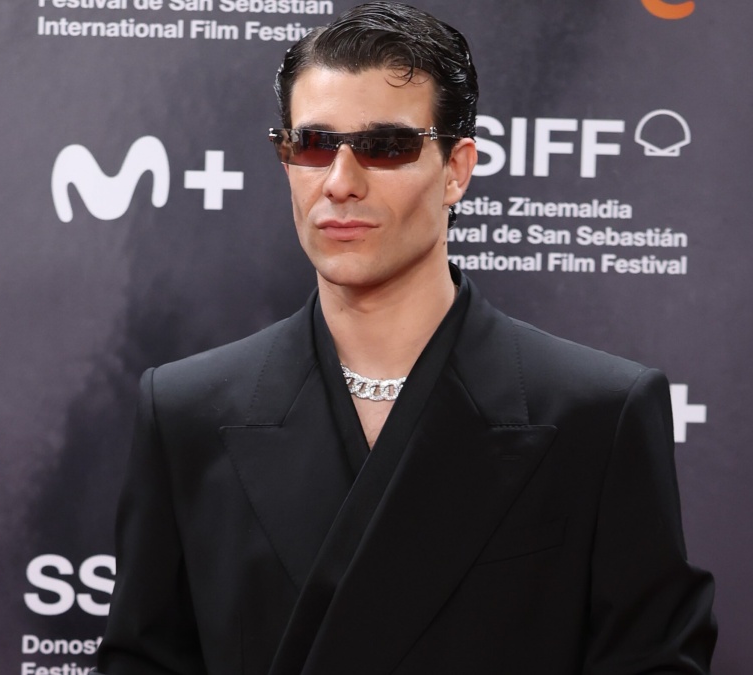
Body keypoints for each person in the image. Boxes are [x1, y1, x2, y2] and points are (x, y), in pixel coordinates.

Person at [96, 3, 716, 673]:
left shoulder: (598, 414)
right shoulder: (186, 411)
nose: (340, 183)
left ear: (457, 169)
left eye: (385, 147)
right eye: (313, 145)